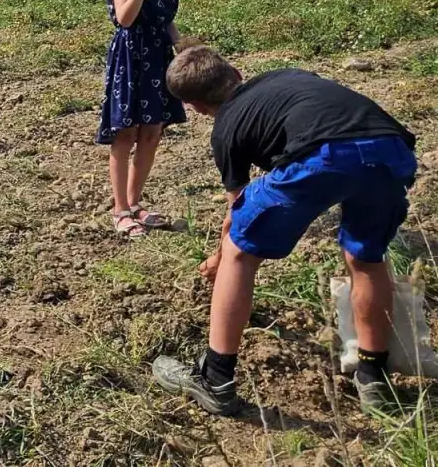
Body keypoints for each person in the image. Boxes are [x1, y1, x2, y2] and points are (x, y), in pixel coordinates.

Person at [155, 46, 417, 416]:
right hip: (389, 147)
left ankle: (216, 380)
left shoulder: (225, 128)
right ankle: (373, 375)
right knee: (366, 257)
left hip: (322, 156)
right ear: (237, 72)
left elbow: (238, 212)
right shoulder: (287, 75)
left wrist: (218, 256)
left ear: (196, 107)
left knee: (238, 253)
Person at [98, 0, 186, 239]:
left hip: (158, 56)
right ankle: (119, 210)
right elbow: (125, 18)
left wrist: (182, 46)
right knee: (125, 134)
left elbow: (165, 20)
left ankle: (135, 204)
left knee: (152, 131)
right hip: (131, 59)